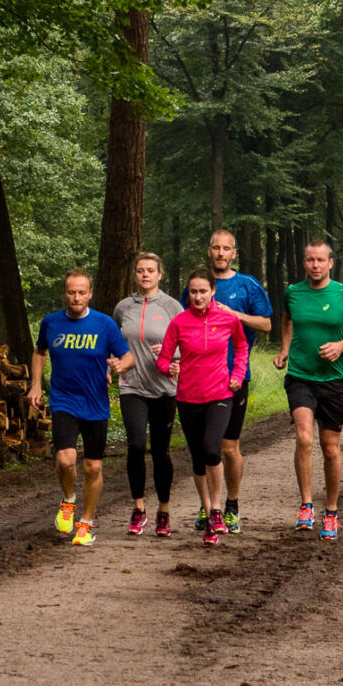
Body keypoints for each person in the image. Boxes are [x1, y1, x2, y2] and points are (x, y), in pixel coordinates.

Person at [273, 241, 343, 541]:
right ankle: (306, 506)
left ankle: (331, 511)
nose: (315, 265)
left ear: (330, 263)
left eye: (321, 260)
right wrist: (285, 350)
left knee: (330, 449)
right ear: (304, 263)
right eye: (310, 260)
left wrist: (341, 345)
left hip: (332, 380)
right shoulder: (293, 292)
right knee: (304, 438)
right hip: (300, 376)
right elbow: (287, 320)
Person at [28, 269, 135, 546]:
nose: (76, 297)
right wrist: (36, 385)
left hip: (95, 403)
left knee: (93, 468)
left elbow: (127, 356)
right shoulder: (51, 323)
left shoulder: (104, 324)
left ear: (90, 294)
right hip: (64, 399)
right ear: (65, 293)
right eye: (71, 292)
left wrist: (121, 365)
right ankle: (68, 500)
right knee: (65, 459)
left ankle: (86, 523)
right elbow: (40, 352)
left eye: (82, 292)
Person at [186, 229, 272, 533]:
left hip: (234, 377)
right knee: (202, 447)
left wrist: (233, 314)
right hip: (197, 379)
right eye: (216, 248)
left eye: (226, 249)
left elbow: (266, 324)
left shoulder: (247, 285)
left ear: (234, 253)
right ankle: (209, 507)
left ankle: (231, 506)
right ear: (209, 251)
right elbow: (185, 324)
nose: (221, 254)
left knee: (228, 444)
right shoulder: (197, 285)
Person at [158, 266, 249, 546]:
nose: (198, 297)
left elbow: (242, 347)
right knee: (198, 458)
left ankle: (218, 509)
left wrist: (236, 375)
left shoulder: (227, 319)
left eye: (203, 291)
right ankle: (209, 514)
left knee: (213, 449)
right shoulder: (179, 323)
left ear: (213, 291)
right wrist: (170, 366)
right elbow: (162, 359)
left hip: (220, 395)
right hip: (187, 398)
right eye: (193, 292)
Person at [111, 253, 184, 537]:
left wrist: (175, 357)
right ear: (135, 274)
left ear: (159, 274)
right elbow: (116, 340)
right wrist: (113, 362)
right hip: (132, 386)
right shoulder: (123, 308)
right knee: (136, 446)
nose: (145, 275)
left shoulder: (171, 306)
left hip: (164, 387)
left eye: (150, 270)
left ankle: (163, 511)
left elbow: (186, 341)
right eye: (140, 270)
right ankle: (139, 508)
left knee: (161, 451)